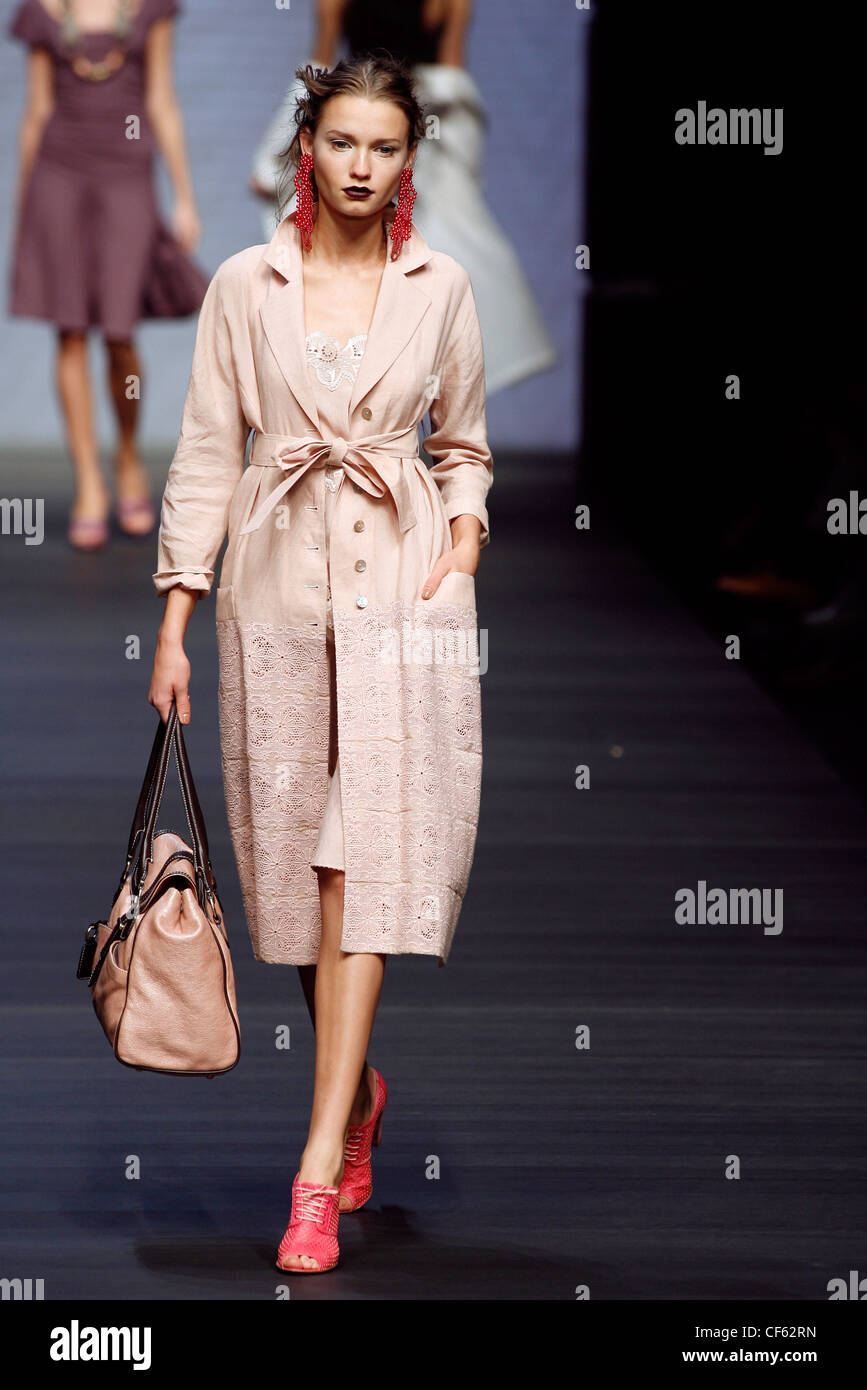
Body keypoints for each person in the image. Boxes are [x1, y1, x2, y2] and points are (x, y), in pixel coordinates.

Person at [149, 53, 492, 1274]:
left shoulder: (438, 285)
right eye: (342, 144)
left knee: (362, 870)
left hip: (400, 600)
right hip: (274, 596)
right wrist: (177, 621)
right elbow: (205, 449)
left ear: (411, 158)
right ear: (309, 147)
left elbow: (464, 441)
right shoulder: (248, 282)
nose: (361, 168)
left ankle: (310, 1174)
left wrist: (458, 550)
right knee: (295, 887)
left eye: (385, 148)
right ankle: (356, 1098)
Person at [249, 0, 557, 395]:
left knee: (391, 284)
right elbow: (452, 78)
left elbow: (320, 67)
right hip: (417, 132)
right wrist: (464, 174)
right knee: (426, 285)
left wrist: (278, 159)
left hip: (370, 123)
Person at [7, 0, 207, 549]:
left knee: (119, 332)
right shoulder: (44, 10)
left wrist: (185, 197)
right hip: (58, 174)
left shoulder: (147, 9)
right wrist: (26, 212)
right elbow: (38, 108)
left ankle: (125, 459)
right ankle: (90, 483)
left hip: (127, 172)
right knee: (69, 331)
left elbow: (160, 98)